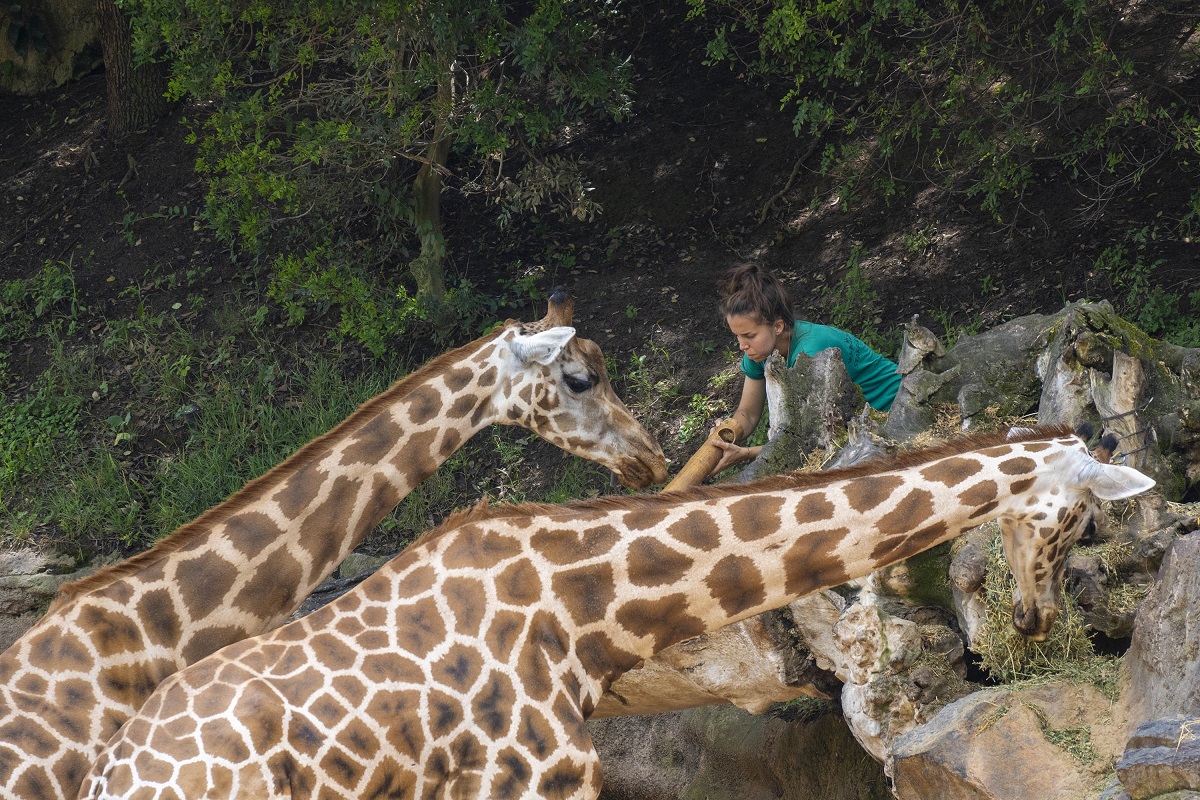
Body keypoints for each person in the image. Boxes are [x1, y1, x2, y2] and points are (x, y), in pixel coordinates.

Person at [708, 263, 902, 476]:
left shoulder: (811, 353)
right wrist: (727, 433)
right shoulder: (758, 353)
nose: (742, 345)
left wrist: (744, 453)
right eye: (737, 336)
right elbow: (748, 413)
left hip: (894, 410)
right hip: (852, 424)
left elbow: (813, 440)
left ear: (778, 326)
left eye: (749, 336)